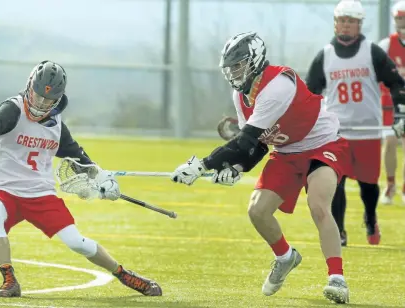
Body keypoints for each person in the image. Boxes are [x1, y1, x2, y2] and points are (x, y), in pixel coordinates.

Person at [170, 31, 362, 304]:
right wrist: (236, 168)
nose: (234, 72)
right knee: (257, 211)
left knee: (318, 205)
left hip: (322, 143)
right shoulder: (241, 97)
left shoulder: (278, 85)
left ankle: (337, 278)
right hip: (286, 152)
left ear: (255, 60)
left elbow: (245, 139)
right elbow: (255, 146)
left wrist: (201, 165)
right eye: (231, 67)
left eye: (238, 65)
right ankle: (285, 257)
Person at [0, 60, 162, 298]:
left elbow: (80, 159)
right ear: (29, 87)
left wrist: (102, 178)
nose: (41, 103)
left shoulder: (57, 126)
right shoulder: (14, 109)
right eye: (38, 96)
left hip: (40, 193)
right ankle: (9, 280)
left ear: (58, 99)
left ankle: (124, 274)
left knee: (76, 242)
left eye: (48, 100)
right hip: (3, 188)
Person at [305, 0, 405, 246]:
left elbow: (396, 84)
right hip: (337, 133)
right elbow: (310, 93)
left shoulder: (372, 51)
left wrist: (401, 115)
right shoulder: (325, 55)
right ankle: (339, 231)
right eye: (342, 20)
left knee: (368, 185)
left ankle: (370, 218)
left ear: (359, 24)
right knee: (336, 183)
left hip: (368, 130)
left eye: (351, 21)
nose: (346, 26)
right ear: (335, 23)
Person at [379, 0, 405, 205]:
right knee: (390, 141)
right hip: (390, 102)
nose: (401, 22)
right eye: (398, 18)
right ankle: (390, 185)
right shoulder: (386, 45)